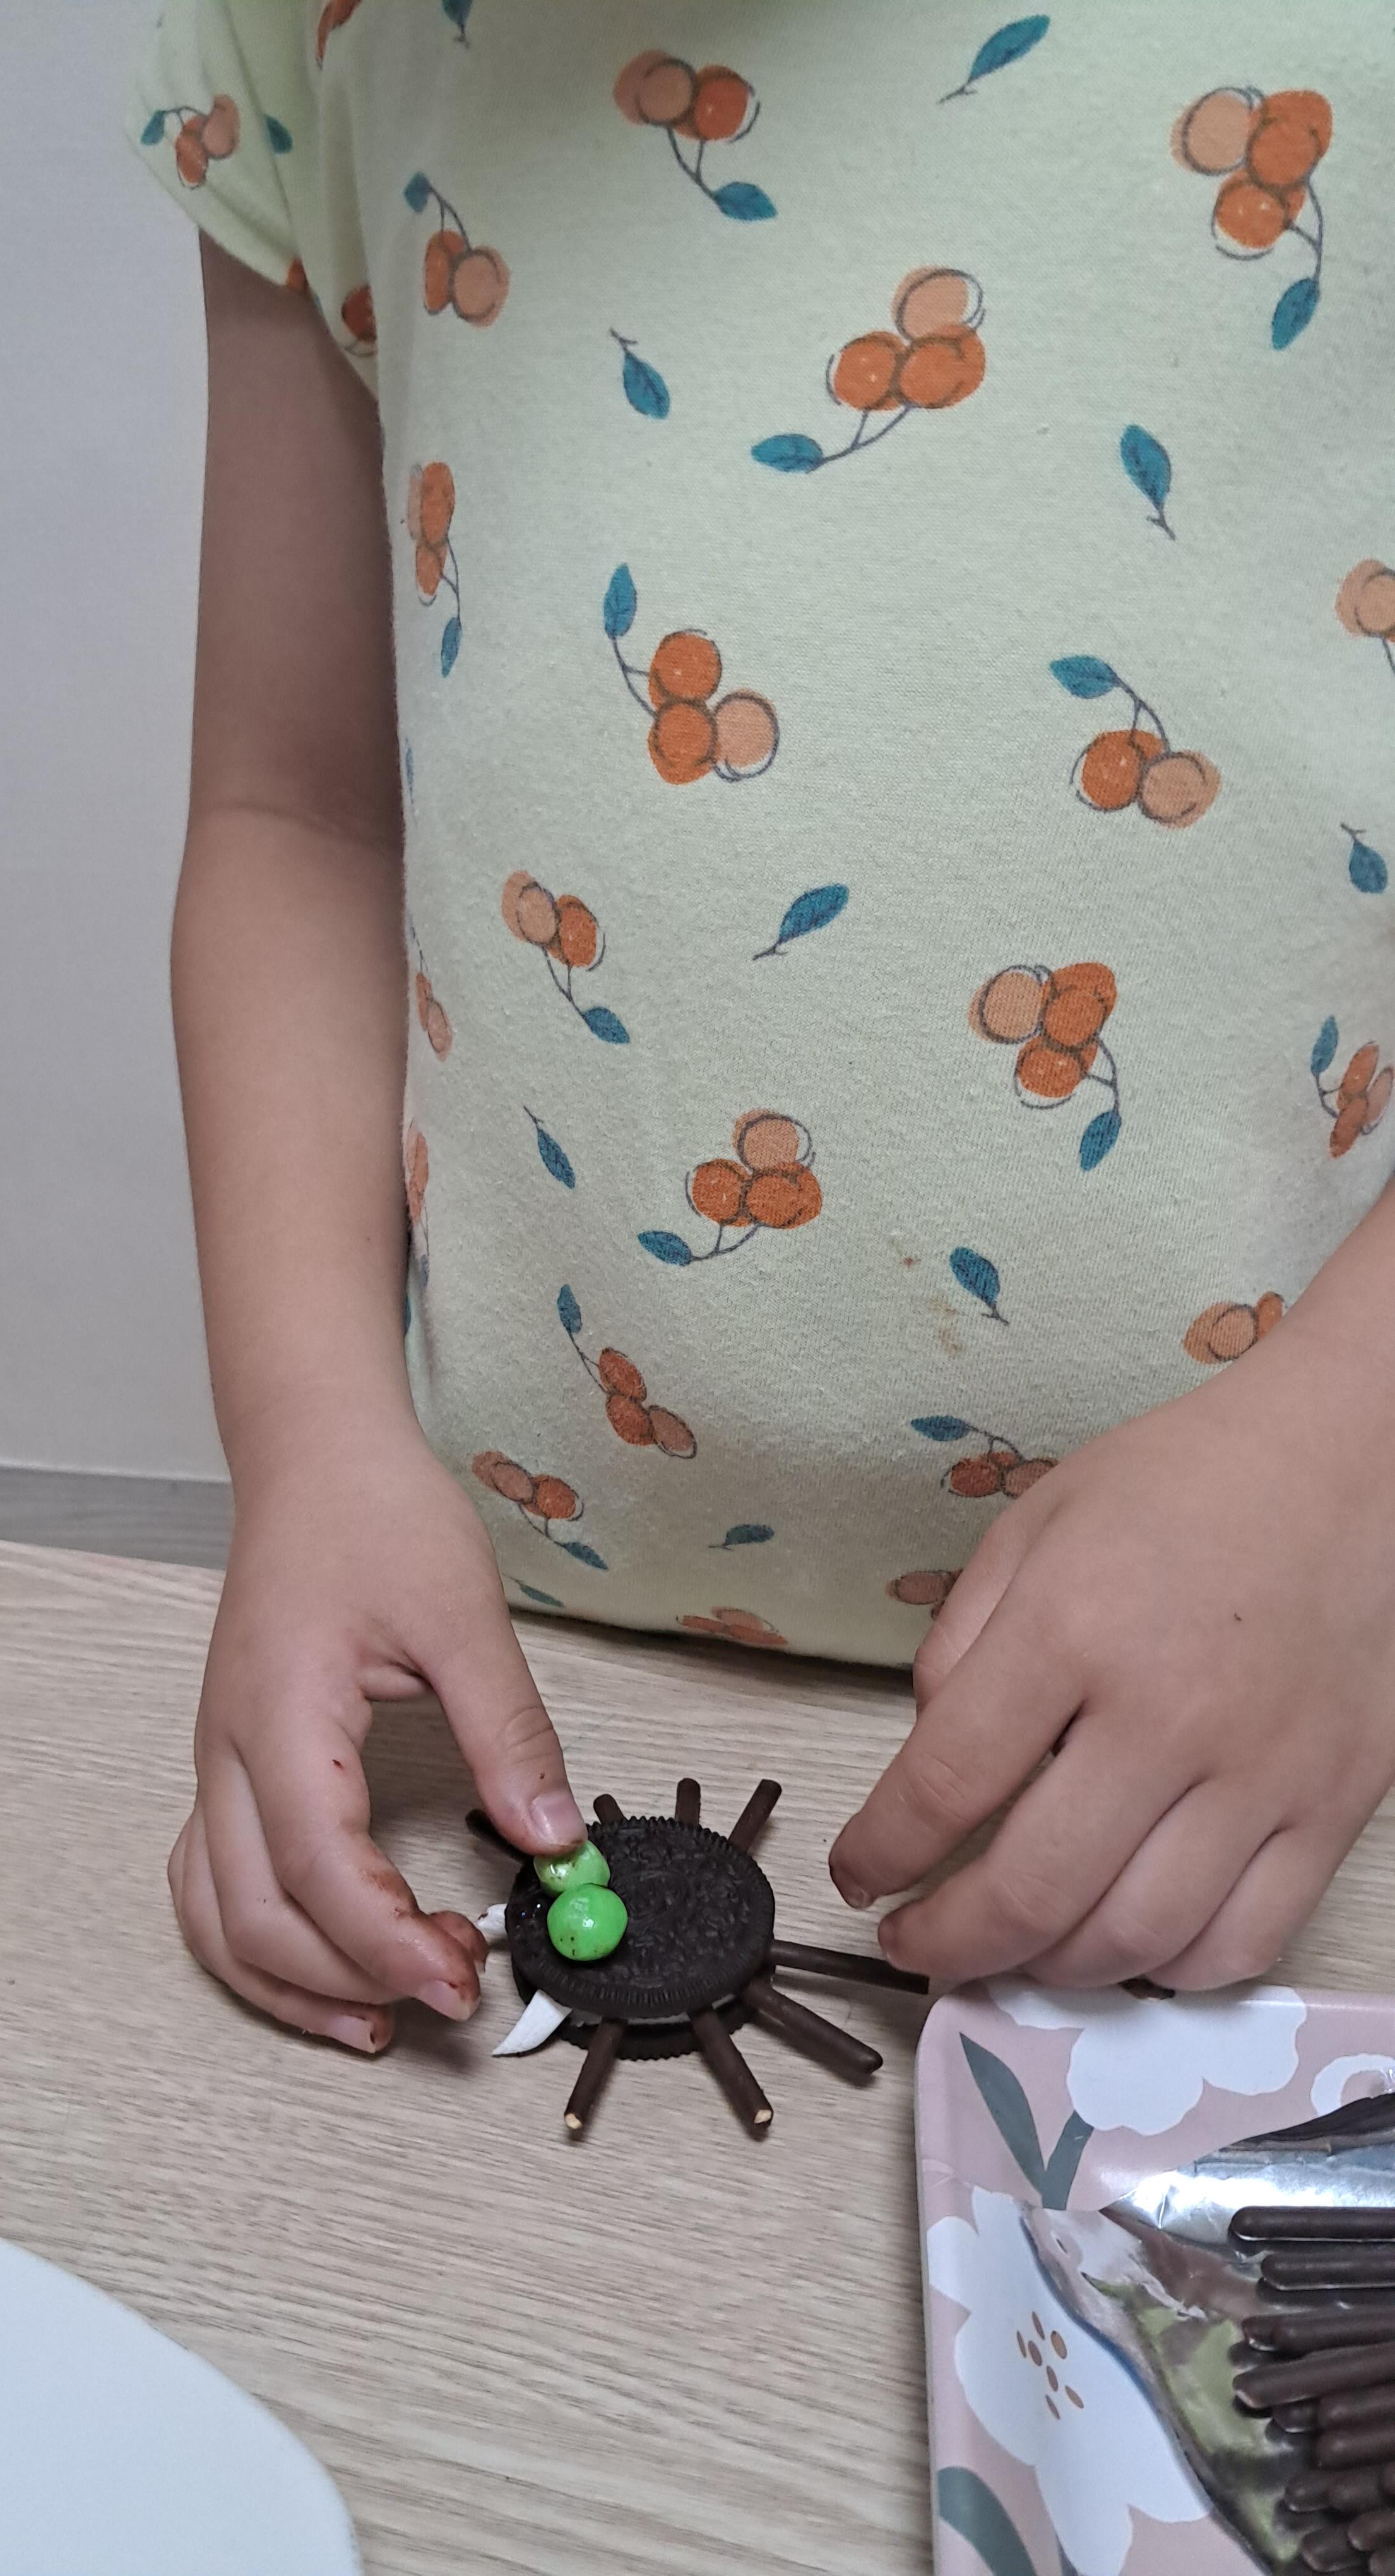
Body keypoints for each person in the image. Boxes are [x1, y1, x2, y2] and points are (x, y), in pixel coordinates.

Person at [128, 1, 1395, 2051]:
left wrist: (1359, 1459)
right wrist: (310, 1437)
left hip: (1291, 1734)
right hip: (515, 1674)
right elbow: (299, 814)